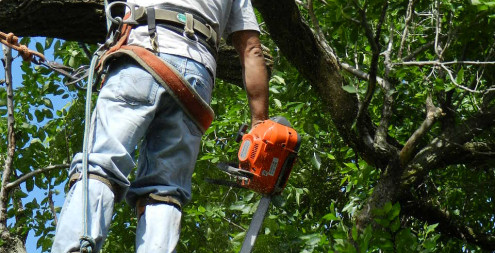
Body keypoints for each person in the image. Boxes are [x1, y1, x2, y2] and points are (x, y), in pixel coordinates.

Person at [51, 0, 269, 252]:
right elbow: (251, 49)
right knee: (165, 190)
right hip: (195, 80)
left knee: (100, 165)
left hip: (142, 55)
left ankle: (76, 246)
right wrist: (259, 126)